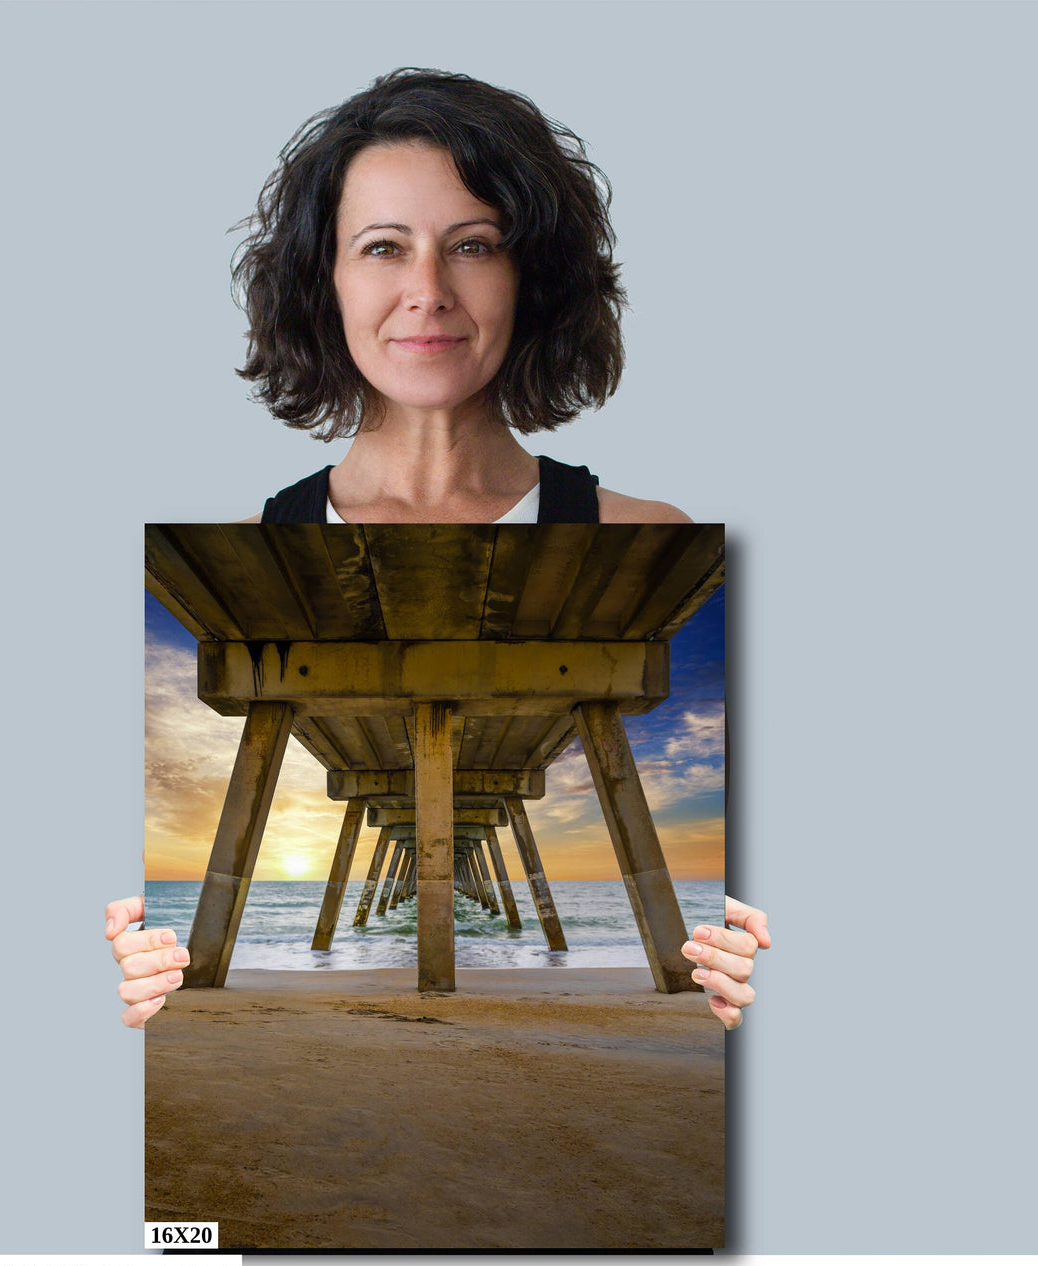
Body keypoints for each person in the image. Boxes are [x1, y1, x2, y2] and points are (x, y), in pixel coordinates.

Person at [112, 68, 770, 1029]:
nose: (427, 292)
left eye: (474, 246)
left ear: (530, 277)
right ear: (323, 279)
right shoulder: (256, 539)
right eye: (383, 247)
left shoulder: (651, 531)